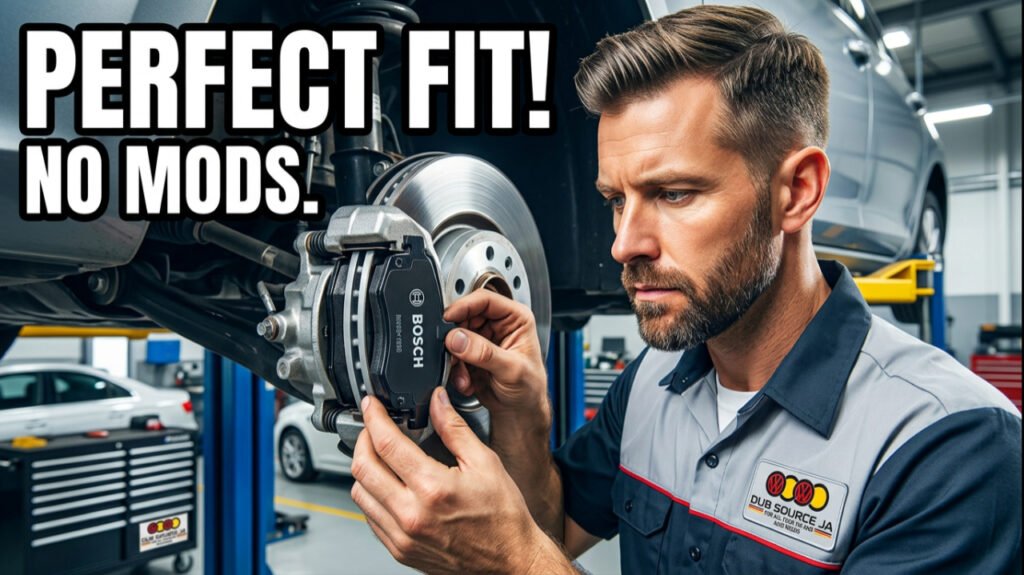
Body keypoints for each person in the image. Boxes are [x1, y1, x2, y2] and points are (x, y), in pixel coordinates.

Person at [348, 5, 1022, 574]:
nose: (623, 244)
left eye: (673, 193)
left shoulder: (949, 445)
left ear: (797, 191)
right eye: (616, 200)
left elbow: (532, 551)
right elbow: (552, 526)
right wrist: (523, 413)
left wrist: (516, 563)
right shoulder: (652, 383)